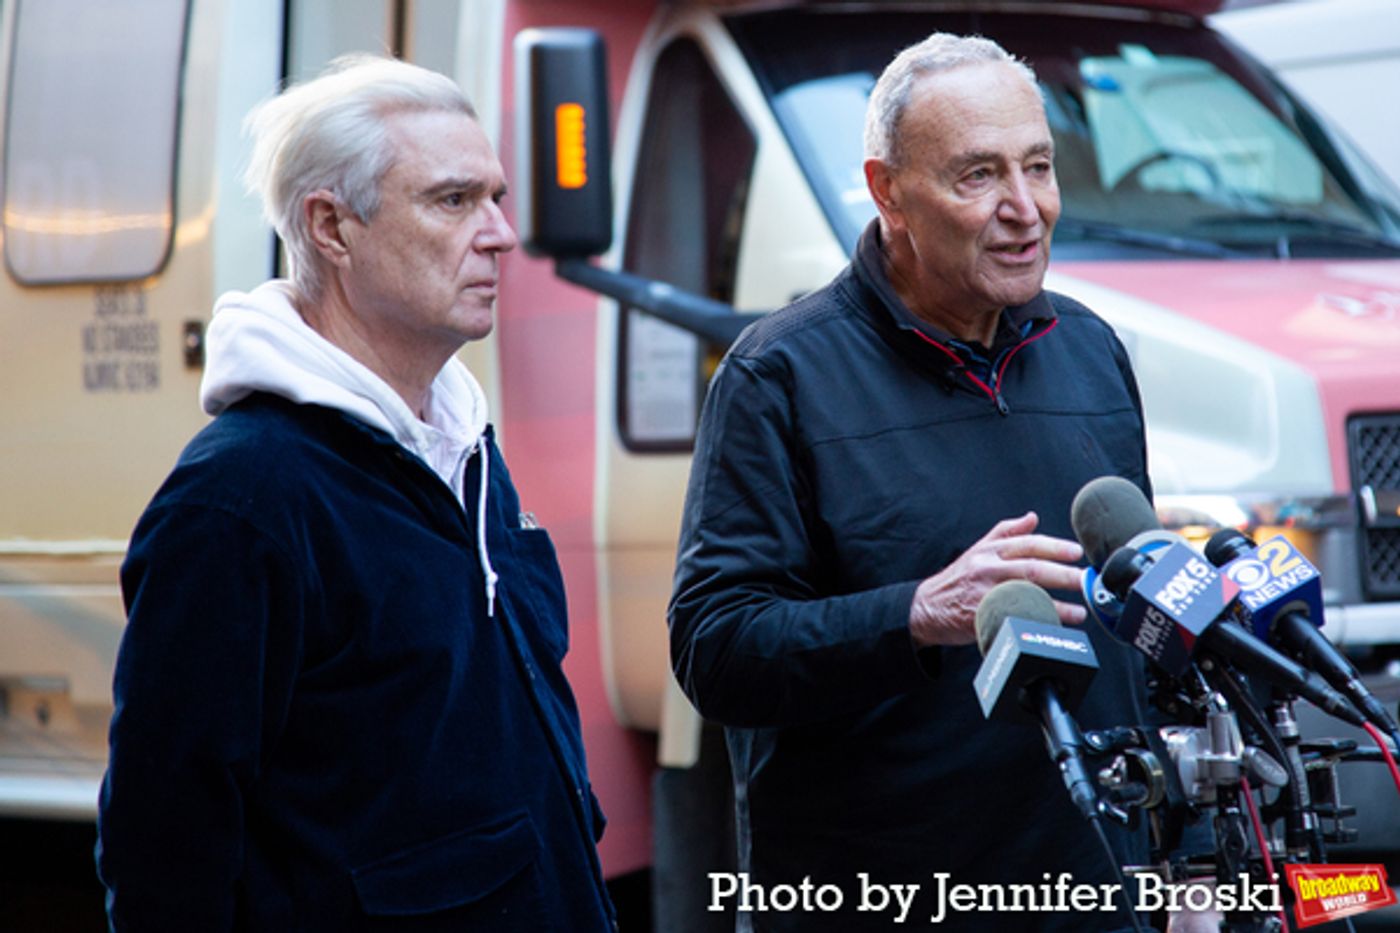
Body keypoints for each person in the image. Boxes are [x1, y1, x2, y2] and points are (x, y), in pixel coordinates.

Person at [96, 55, 614, 932]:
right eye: (453, 201)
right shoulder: (241, 498)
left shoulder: (464, 450)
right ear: (332, 227)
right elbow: (165, 843)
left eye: (496, 198)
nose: (499, 234)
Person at [669, 32, 1152, 932]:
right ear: (889, 192)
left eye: (1038, 166)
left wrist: (1181, 873)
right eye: (978, 176)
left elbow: (1126, 649)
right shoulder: (778, 376)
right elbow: (716, 648)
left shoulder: (1091, 351)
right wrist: (919, 612)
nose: (1025, 208)